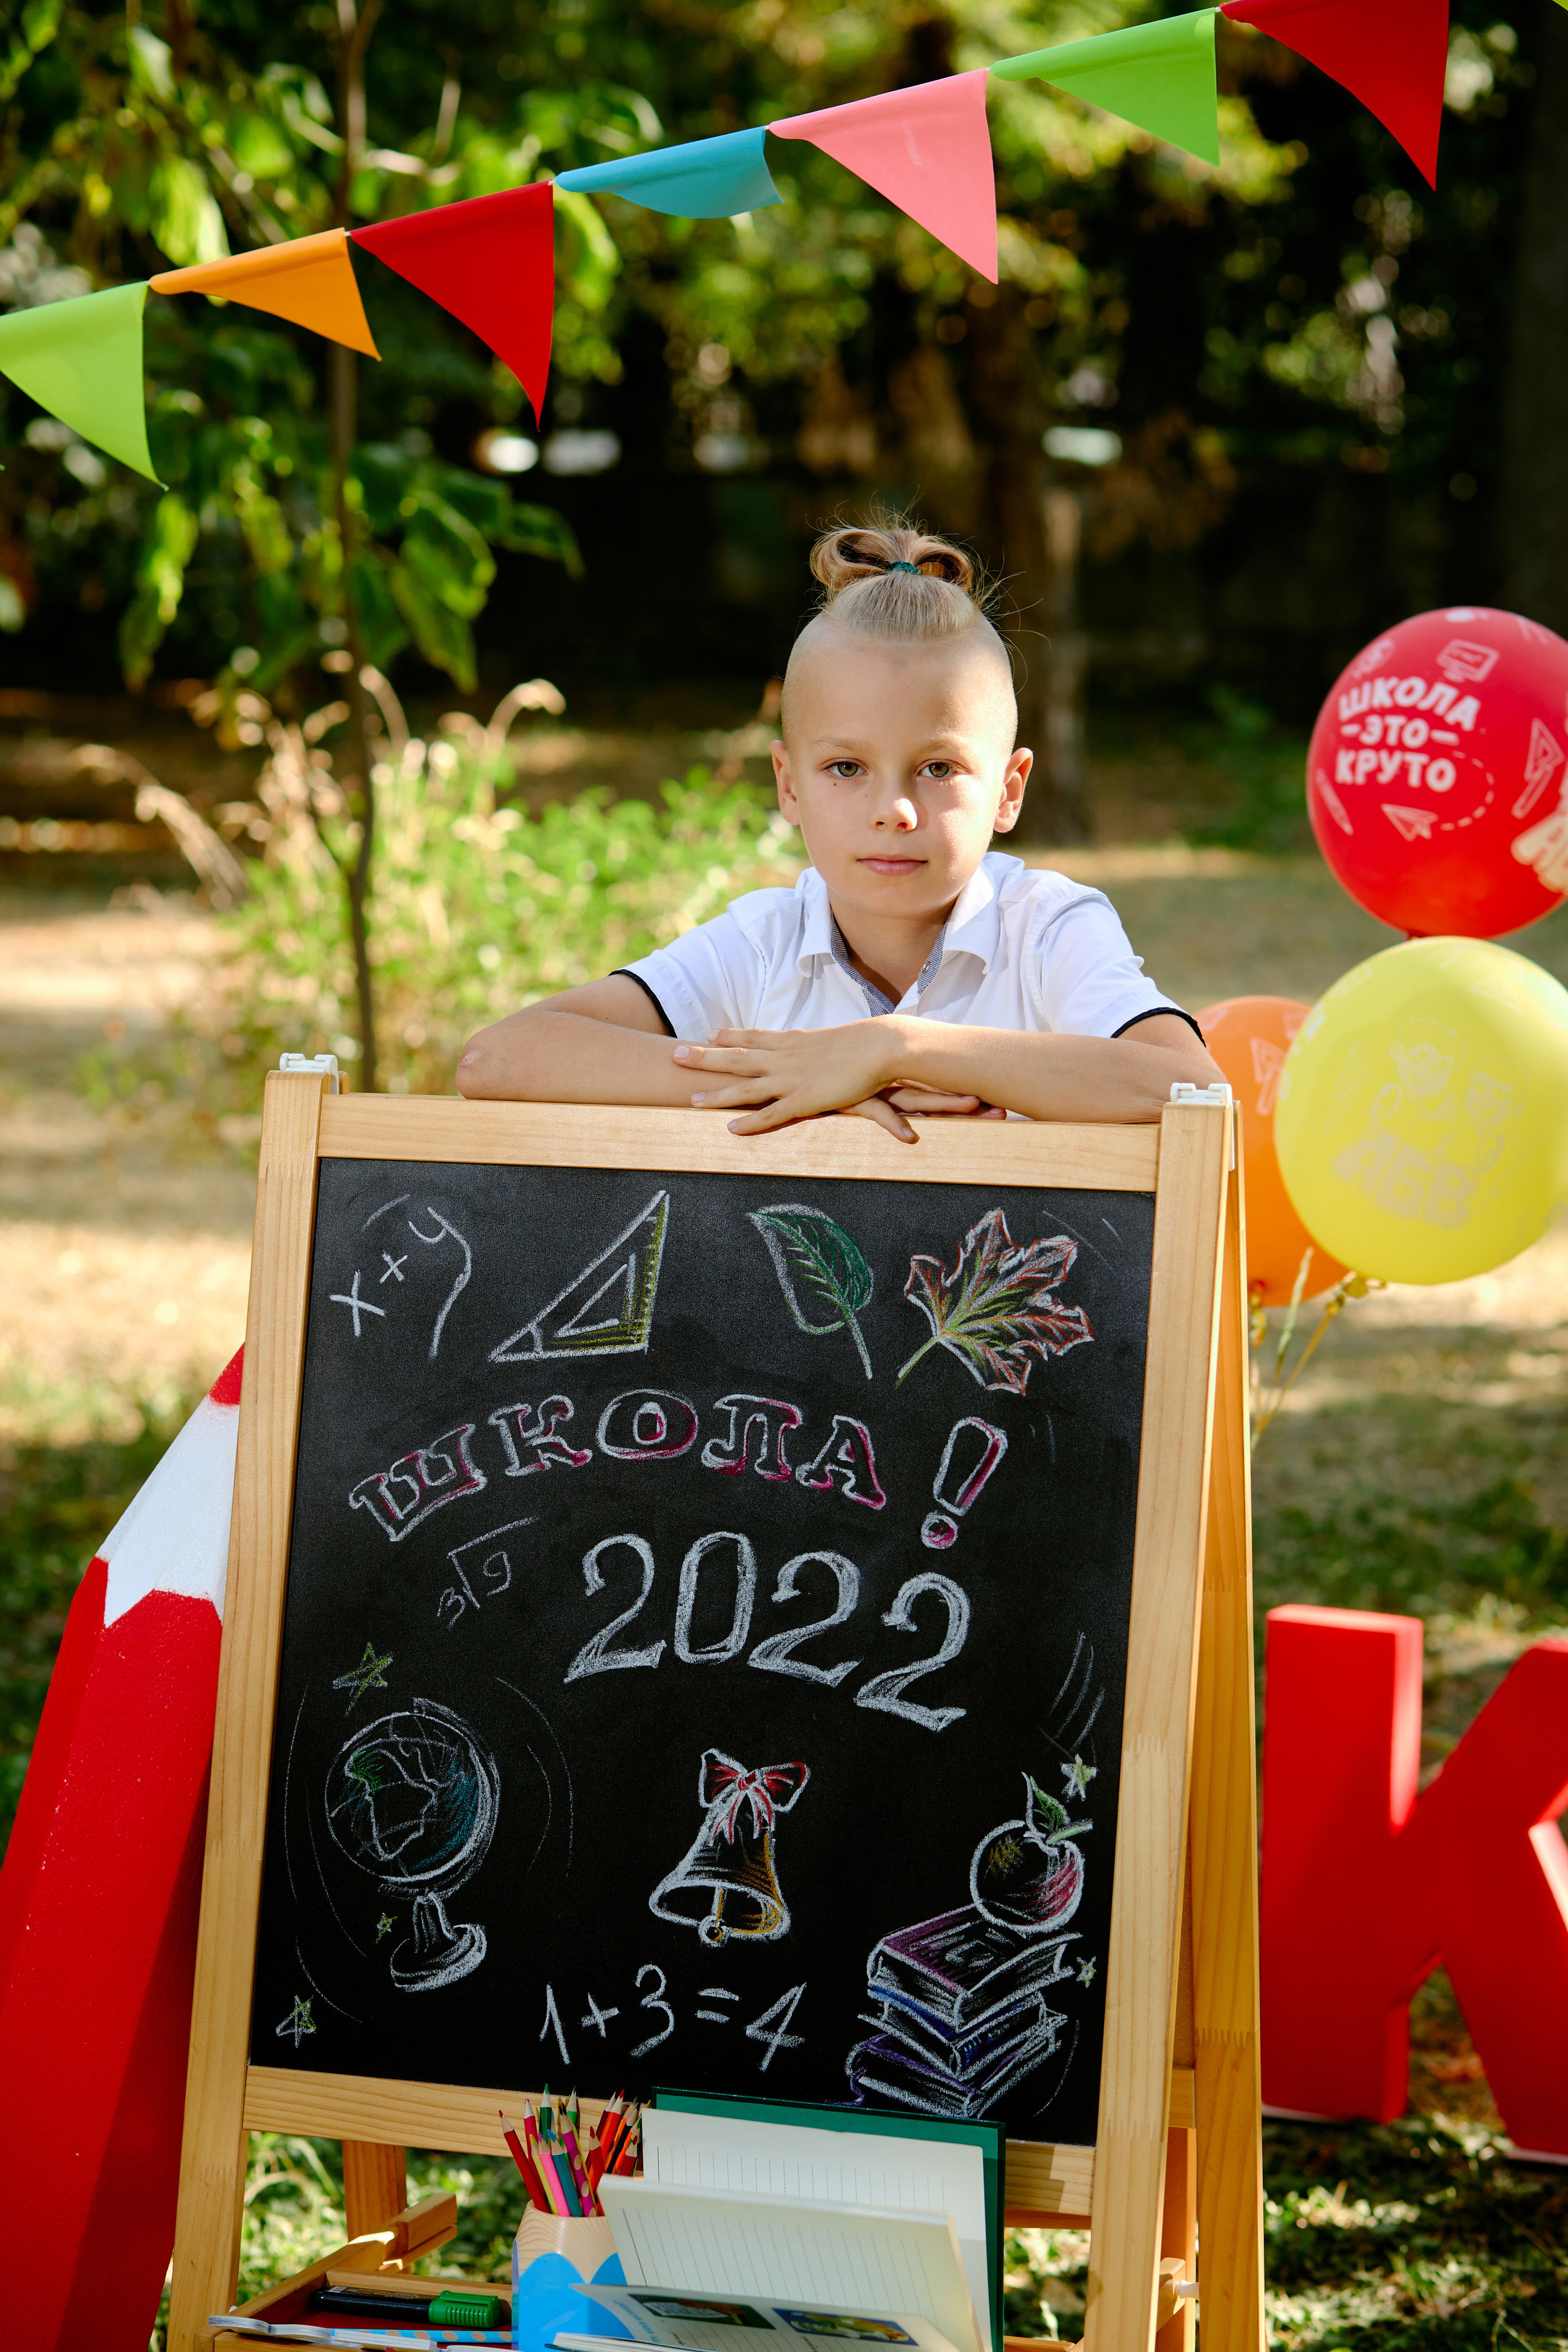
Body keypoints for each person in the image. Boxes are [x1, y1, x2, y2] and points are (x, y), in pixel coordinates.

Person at [458, 519, 1223, 1139]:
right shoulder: (762, 945)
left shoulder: (1050, 930)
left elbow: (1192, 1090)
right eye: (847, 769)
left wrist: (891, 1049)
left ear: (1008, 790)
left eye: (938, 768)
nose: (893, 810)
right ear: (789, 784)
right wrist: (794, 1085)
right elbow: (497, 1060)